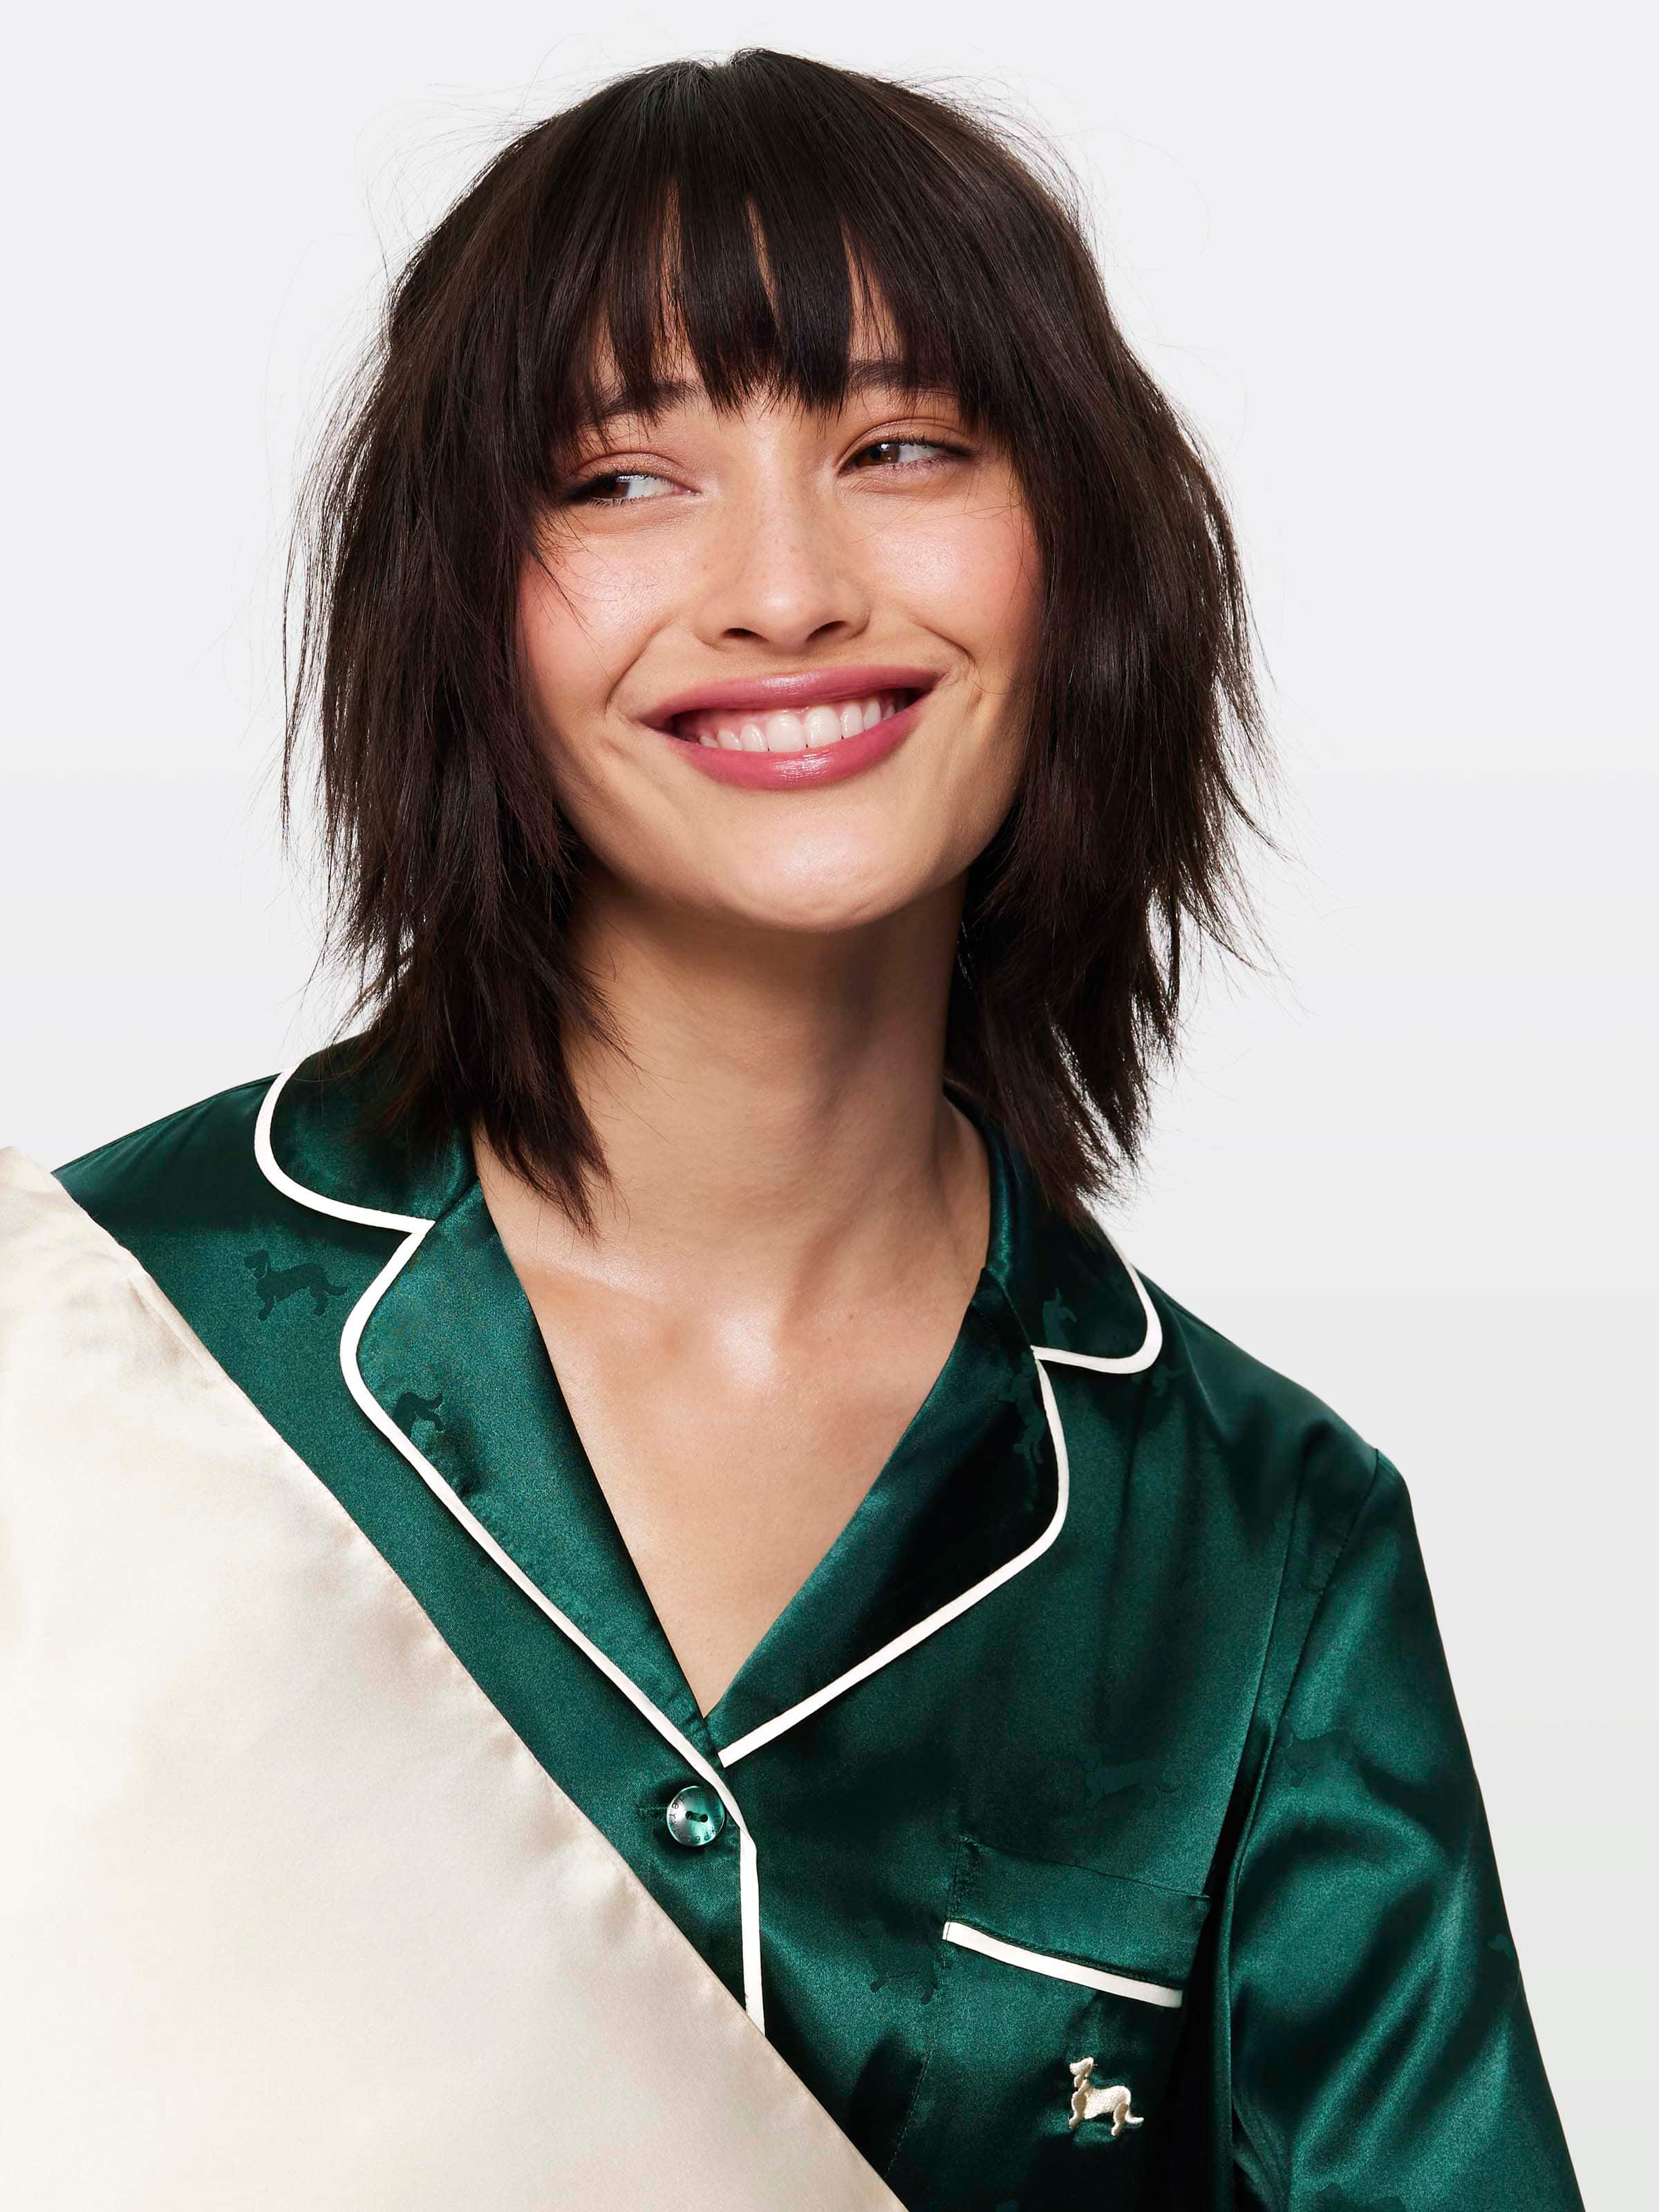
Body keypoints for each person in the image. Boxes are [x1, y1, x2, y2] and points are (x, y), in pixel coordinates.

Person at [0, 47, 1583, 2212]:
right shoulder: (83, 1352)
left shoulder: (1261, 1552)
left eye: (902, 445)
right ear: (459, 599)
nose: (784, 588)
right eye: (622, 477)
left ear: (1078, 554)